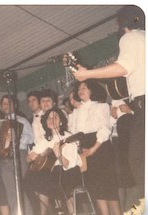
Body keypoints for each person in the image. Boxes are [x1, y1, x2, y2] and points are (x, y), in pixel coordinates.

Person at [73, 6, 145, 202]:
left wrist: (86, 74)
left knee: (139, 162)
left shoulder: (130, 38)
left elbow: (123, 67)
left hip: (143, 104)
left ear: (121, 24)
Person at [72, 80, 121, 214]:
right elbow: (76, 133)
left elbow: (105, 129)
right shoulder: (77, 111)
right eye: (79, 88)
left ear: (92, 90)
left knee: (109, 188)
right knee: (96, 188)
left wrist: (93, 148)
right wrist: (81, 149)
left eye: (84, 88)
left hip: (101, 148)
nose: (80, 90)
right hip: (85, 150)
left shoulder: (102, 106)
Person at [25, 108, 82, 215]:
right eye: (49, 118)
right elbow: (29, 158)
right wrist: (33, 157)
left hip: (69, 173)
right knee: (29, 180)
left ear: (61, 122)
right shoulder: (45, 140)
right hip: (51, 175)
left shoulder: (68, 137)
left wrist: (59, 155)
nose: (51, 119)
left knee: (46, 179)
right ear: (46, 122)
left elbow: (69, 165)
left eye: (55, 117)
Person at [0, 95, 34, 215]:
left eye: (9, 103)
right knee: (11, 190)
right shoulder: (0, 124)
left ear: (15, 105)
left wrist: (16, 139)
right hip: (5, 158)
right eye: (4, 103)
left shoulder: (22, 120)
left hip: (19, 154)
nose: (6, 105)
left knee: (18, 188)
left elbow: (30, 138)